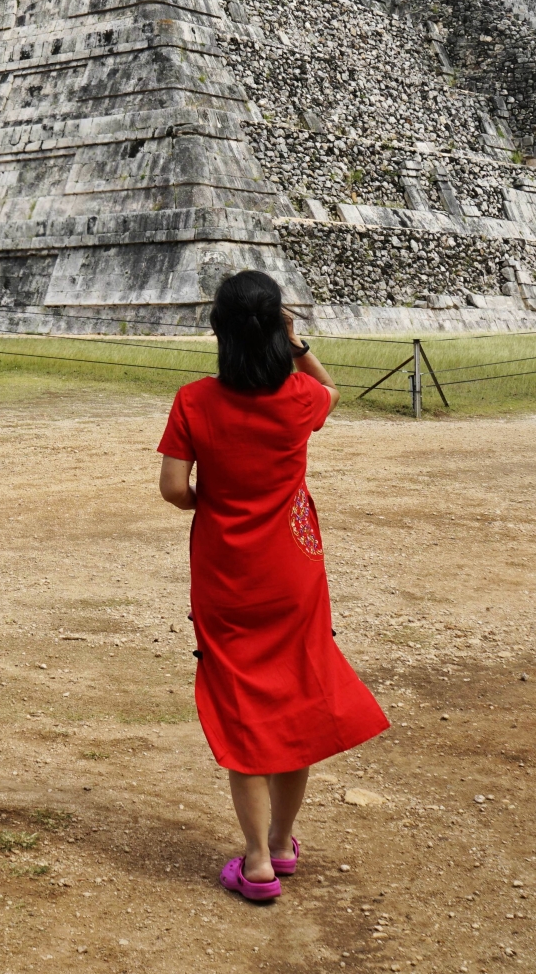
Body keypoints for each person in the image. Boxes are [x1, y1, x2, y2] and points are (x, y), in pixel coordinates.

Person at [157, 270, 389, 904]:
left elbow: (174, 488)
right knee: (292, 698)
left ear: (218, 332)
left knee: (242, 705)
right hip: (293, 568)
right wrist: (296, 341)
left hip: (226, 573)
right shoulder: (297, 399)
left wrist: (210, 503)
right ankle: (284, 844)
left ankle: (256, 861)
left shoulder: (195, 401)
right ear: (277, 330)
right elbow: (331, 388)